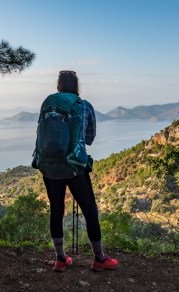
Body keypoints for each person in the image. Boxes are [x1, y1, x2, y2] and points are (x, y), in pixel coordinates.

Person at [41, 70, 118, 272]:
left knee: (56, 211)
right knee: (90, 211)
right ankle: (100, 259)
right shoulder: (83, 106)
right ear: (77, 86)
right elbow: (90, 138)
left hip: (49, 166)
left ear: (58, 86)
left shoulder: (48, 104)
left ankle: (60, 259)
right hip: (74, 166)